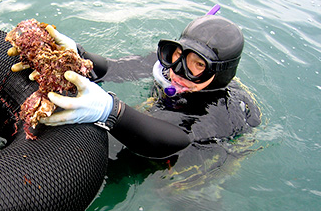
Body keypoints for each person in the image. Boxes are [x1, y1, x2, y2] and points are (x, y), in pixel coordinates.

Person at [30, 12, 260, 160]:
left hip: (191, 162)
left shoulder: (222, 109)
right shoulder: (167, 66)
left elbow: (178, 141)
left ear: (220, 74)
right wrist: (77, 56)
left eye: (197, 65)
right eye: (177, 55)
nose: (177, 71)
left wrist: (112, 112)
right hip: (149, 127)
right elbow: (113, 69)